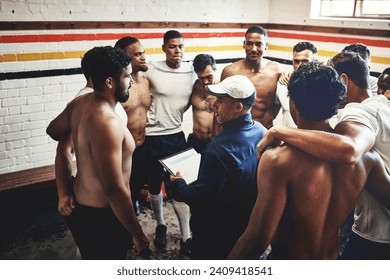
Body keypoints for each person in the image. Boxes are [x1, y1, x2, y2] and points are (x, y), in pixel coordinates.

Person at [228, 61, 390, 260]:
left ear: (293, 103)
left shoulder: (278, 160)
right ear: (338, 104)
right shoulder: (368, 159)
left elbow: (257, 240)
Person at [46, 46, 149, 259]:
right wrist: (137, 233)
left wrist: (79, 133)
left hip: (85, 208)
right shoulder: (106, 123)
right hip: (103, 218)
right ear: (110, 82)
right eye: (127, 76)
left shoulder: (79, 104)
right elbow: (112, 189)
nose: (131, 81)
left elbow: (53, 130)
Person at [170, 75, 267, 259]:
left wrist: (178, 185)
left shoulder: (217, 150)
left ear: (238, 107)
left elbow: (199, 199)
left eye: (221, 101)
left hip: (216, 236)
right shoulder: (261, 130)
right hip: (247, 225)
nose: (213, 105)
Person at [141, 30, 197, 253]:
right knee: (154, 186)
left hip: (175, 136)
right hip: (152, 137)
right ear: (164, 47)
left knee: (179, 187)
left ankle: (186, 236)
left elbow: (210, 78)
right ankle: (161, 226)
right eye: (172, 46)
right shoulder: (151, 68)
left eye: (181, 46)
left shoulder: (190, 72)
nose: (177, 51)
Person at [115, 36, 151, 216]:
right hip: (121, 152)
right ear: (124, 58)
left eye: (143, 52)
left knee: (135, 186)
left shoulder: (145, 81)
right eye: (137, 55)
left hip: (142, 146)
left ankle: (133, 206)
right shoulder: (117, 87)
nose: (143, 57)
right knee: (121, 192)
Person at [220, 25, 283, 129]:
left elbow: (278, 103)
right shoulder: (230, 71)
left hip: (265, 134)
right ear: (244, 44)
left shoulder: (276, 71)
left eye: (259, 44)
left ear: (266, 46)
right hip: (237, 134)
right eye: (249, 43)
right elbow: (220, 106)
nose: (254, 49)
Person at [275, 41, 317, 127]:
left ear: (314, 61)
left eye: (305, 61)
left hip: (312, 139)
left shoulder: (322, 85)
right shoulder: (282, 83)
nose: (300, 66)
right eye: (296, 61)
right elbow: (273, 113)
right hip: (288, 139)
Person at [187, 53, 220, 153]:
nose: (205, 81)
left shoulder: (224, 89)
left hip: (217, 144)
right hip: (196, 142)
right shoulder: (194, 86)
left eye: (209, 77)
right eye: (201, 78)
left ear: (215, 70)